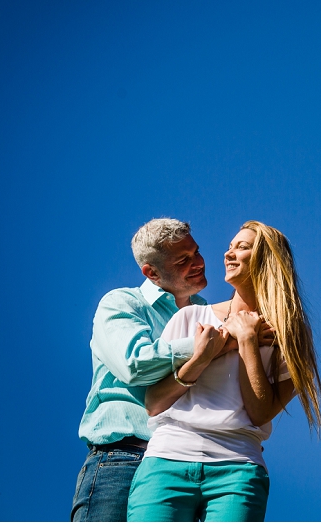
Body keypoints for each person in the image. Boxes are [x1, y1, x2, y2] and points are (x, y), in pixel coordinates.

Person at [127, 220, 321, 522]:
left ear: (267, 259)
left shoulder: (290, 337)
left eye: (242, 247)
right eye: (229, 247)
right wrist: (204, 357)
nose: (228, 254)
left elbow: (259, 412)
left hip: (238, 469)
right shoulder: (191, 316)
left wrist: (246, 339)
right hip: (166, 461)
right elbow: (154, 403)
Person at [72, 219, 222, 522]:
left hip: (186, 465)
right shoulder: (122, 304)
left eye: (196, 252)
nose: (198, 263)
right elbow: (135, 365)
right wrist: (202, 348)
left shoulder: (211, 315)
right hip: (122, 461)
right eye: (183, 260)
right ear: (151, 272)